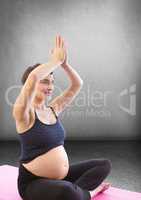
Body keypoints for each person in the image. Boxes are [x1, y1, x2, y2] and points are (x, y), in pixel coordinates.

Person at [13, 35, 112, 200]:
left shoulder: (53, 109)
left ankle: (74, 192)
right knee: (66, 191)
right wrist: (55, 61)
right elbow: (32, 78)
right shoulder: (23, 113)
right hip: (32, 183)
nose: (50, 86)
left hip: (60, 178)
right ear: (29, 88)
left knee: (104, 165)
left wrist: (64, 65)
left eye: (52, 81)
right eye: (45, 81)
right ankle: (87, 193)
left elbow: (77, 84)